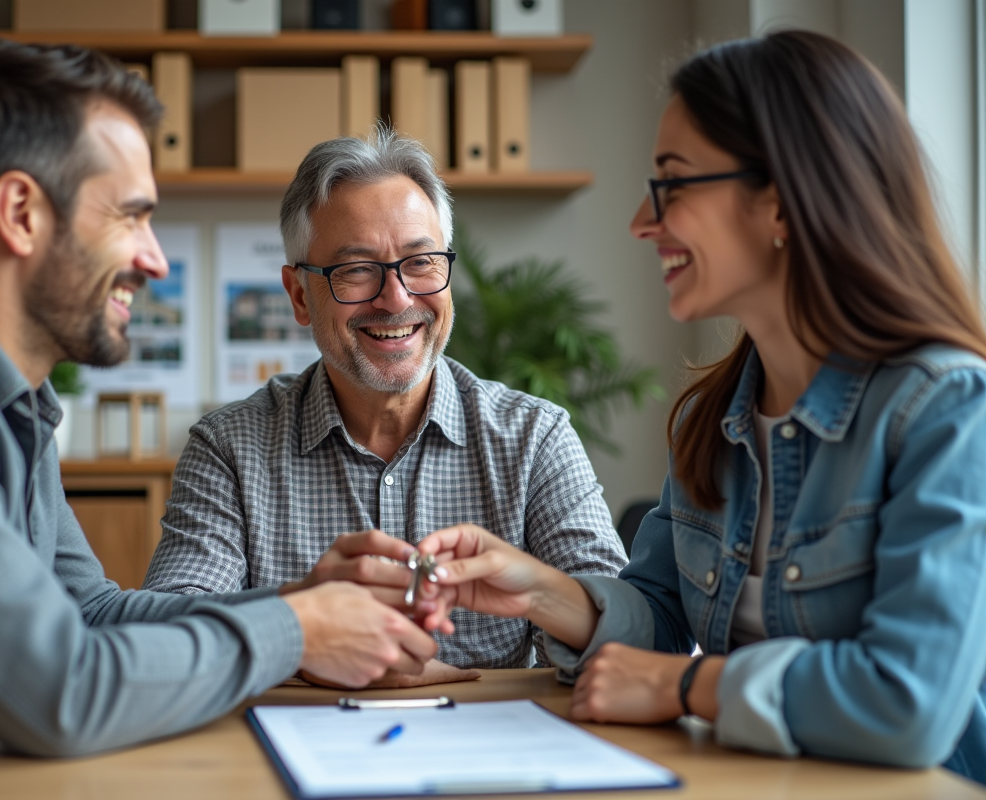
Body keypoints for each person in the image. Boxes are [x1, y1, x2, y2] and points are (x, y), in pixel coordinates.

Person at [0, 40, 440, 800]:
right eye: (131, 215)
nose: (155, 259)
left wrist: (299, 604)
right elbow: (61, 691)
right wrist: (301, 631)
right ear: (21, 213)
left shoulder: (2, 398)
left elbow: (89, 612)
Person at [413, 30, 986, 783]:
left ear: (780, 201)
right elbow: (662, 616)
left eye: (672, 184)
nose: (642, 224)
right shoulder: (714, 420)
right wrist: (541, 592)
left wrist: (686, 685)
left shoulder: (946, 412)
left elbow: (909, 703)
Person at [141, 127, 627, 677]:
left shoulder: (535, 437)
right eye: (356, 270)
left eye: (421, 263)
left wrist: (540, 594)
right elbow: (167, 640)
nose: (396, 299)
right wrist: (302, 619)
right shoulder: (229, 447)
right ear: (300, 295)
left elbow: (627, 638)